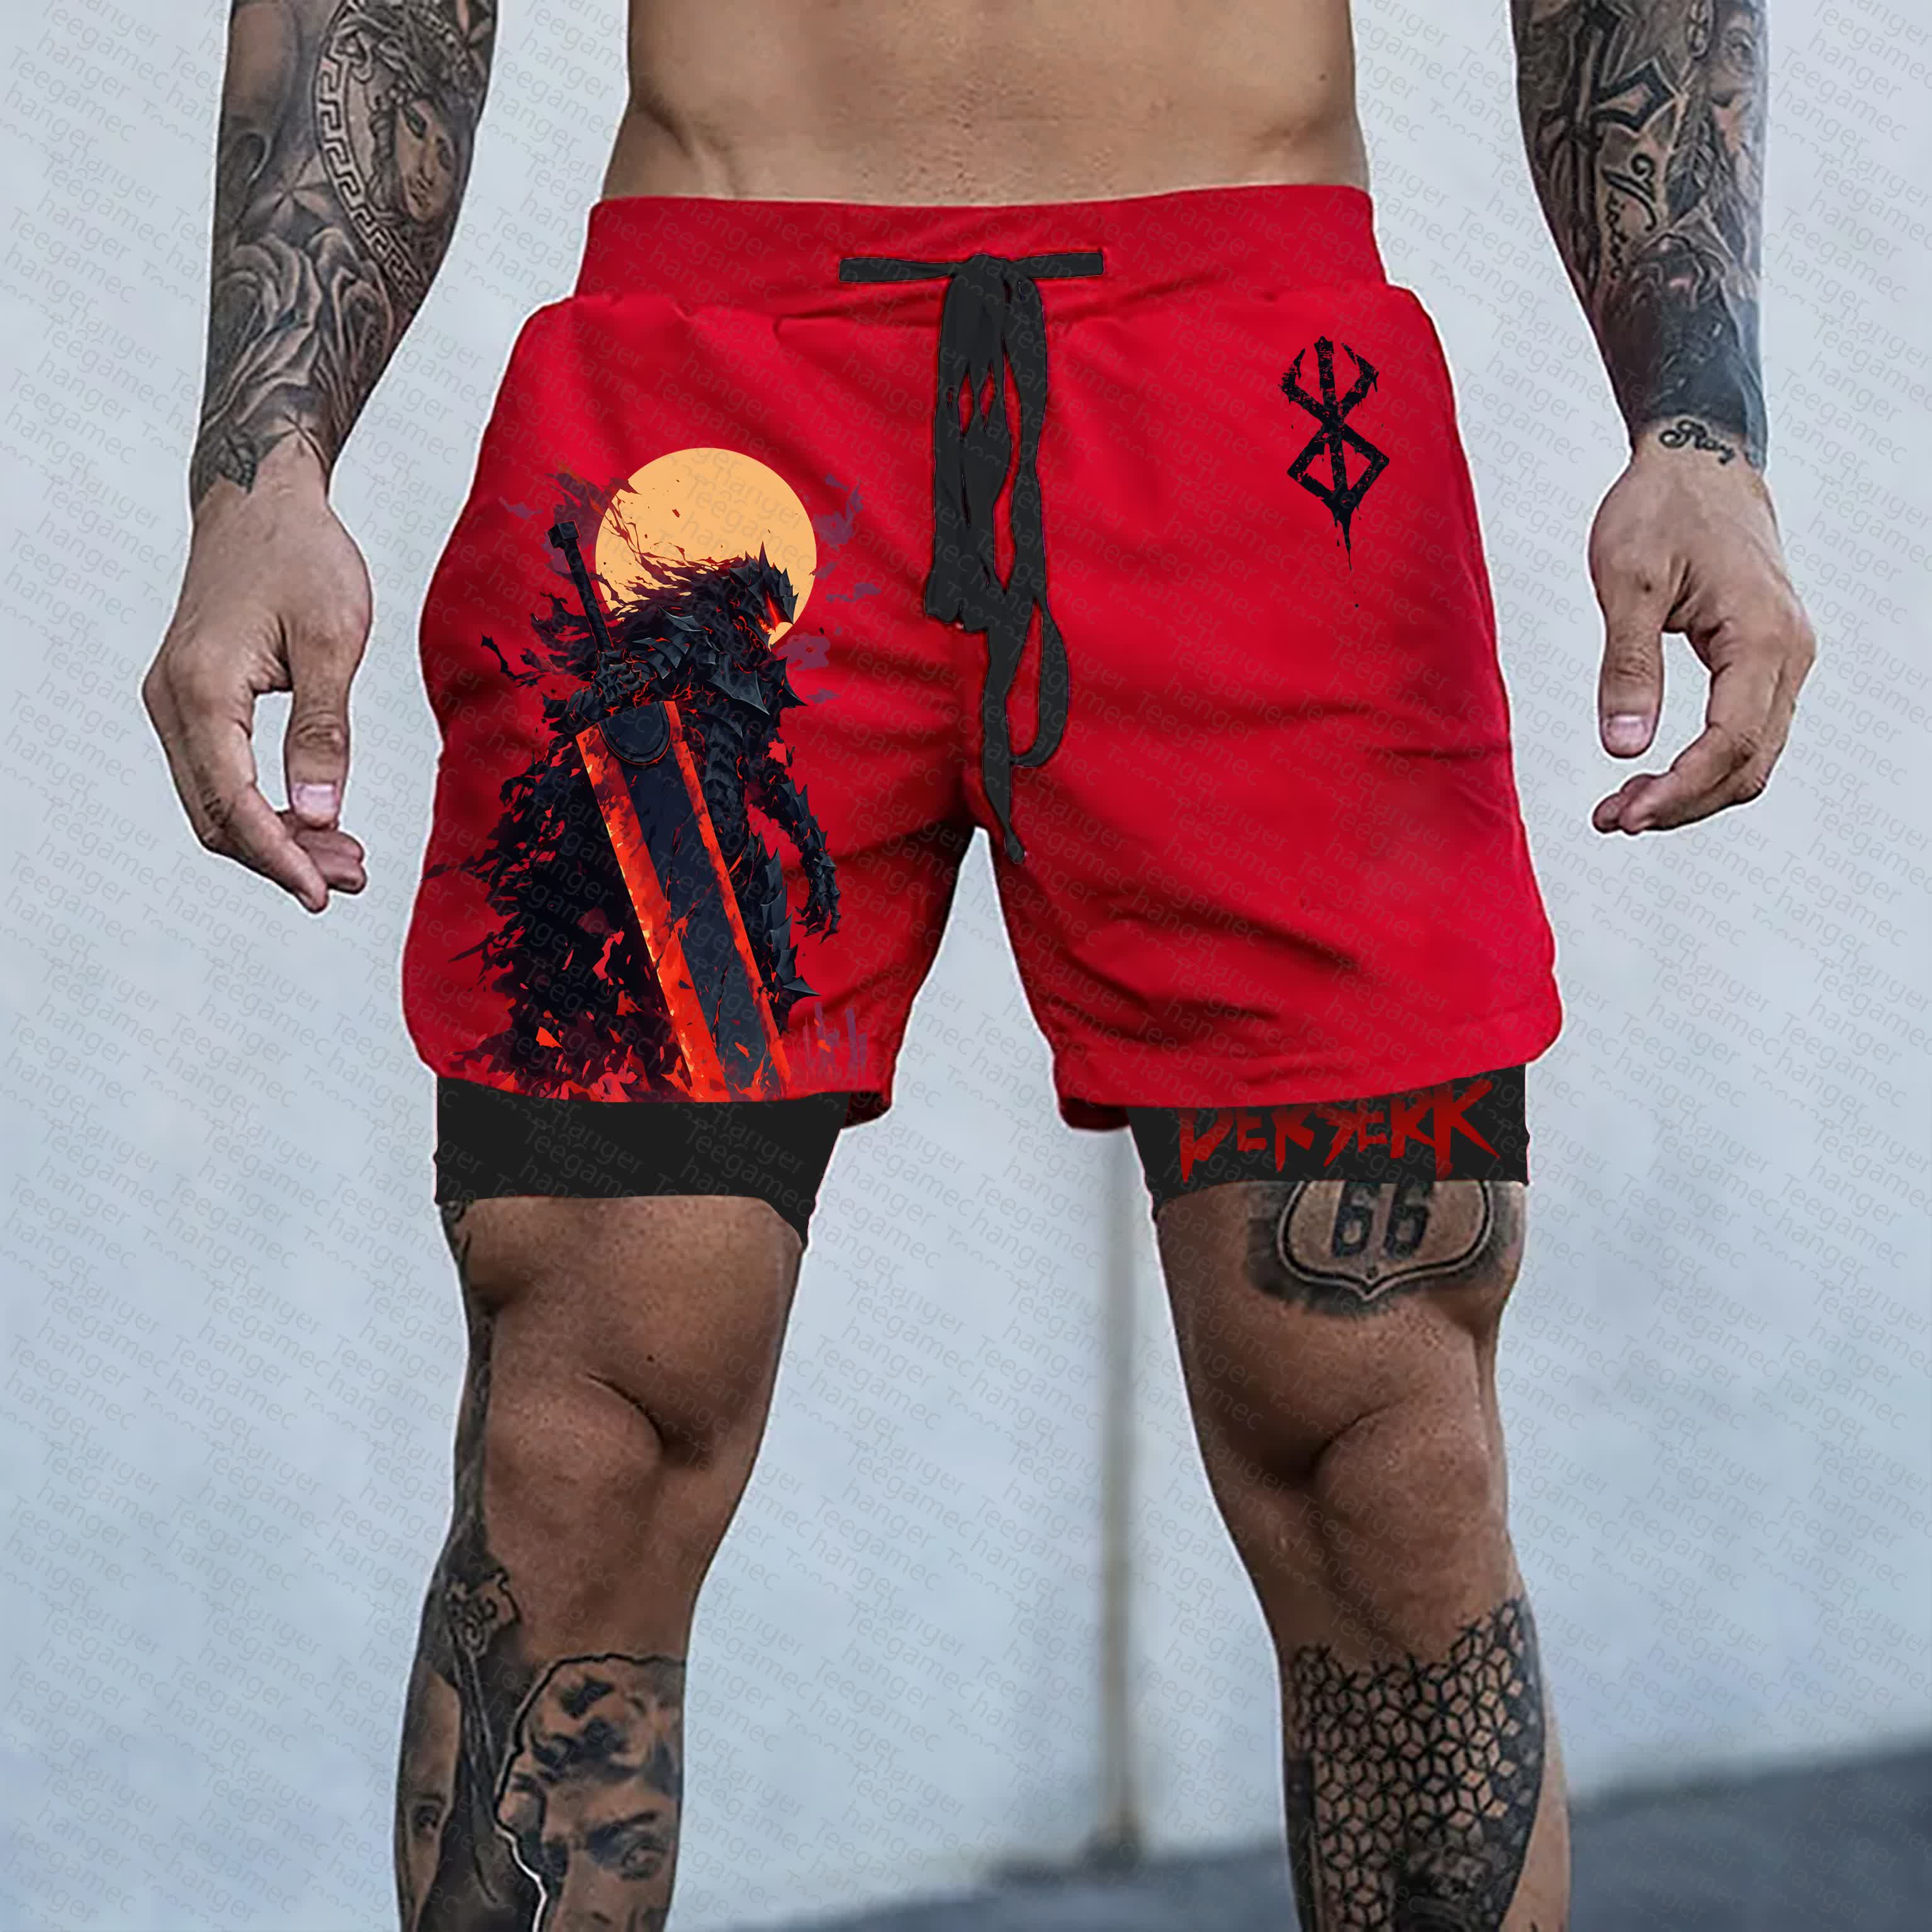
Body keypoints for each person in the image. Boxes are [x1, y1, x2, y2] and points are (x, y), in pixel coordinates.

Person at [144, 0, 1816, 1924]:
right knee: (581, 1433)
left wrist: (1701, 432)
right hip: (705, 424)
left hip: (1255, 411)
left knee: (1381, 1439)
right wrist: (261, 466)